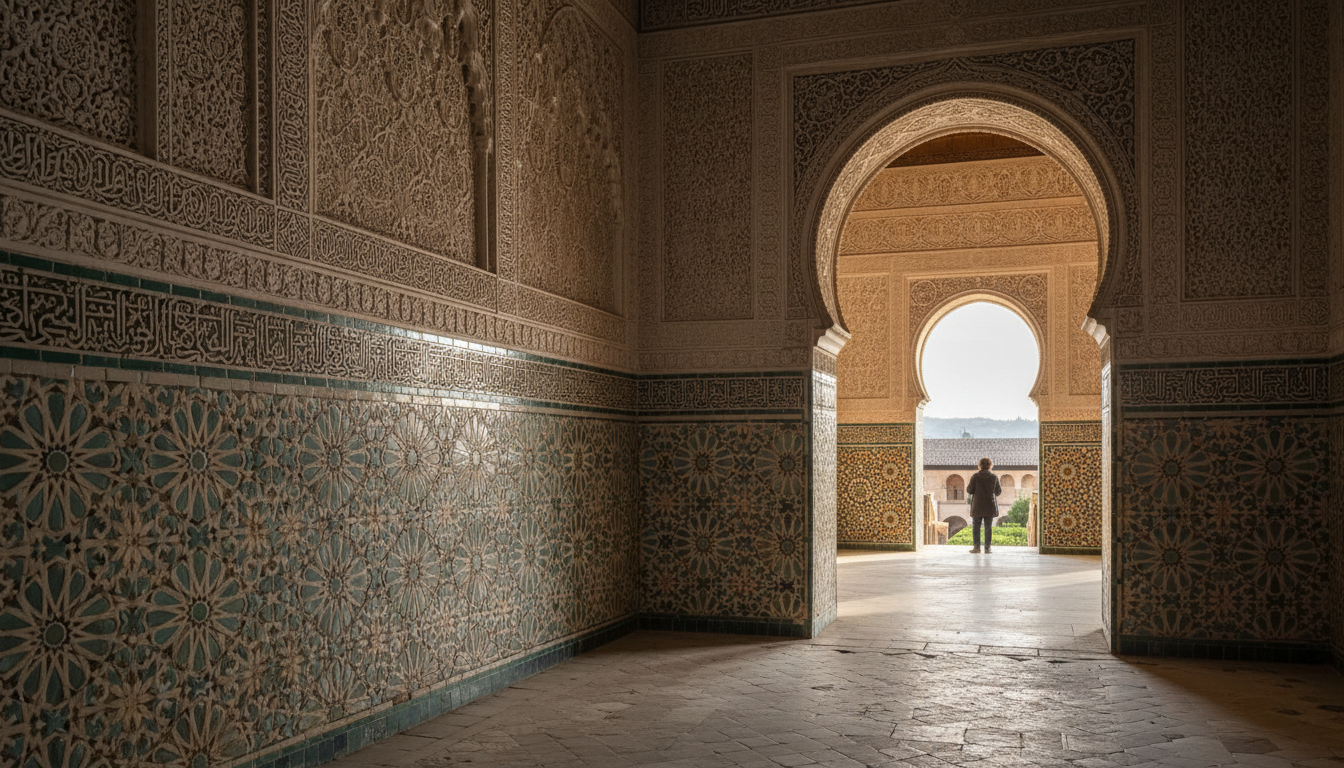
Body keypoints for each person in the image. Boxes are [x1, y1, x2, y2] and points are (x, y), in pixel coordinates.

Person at [965, 457, 1001, 553]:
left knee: (976, 527)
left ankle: (977, 548)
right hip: (990, 505)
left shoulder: (975, 477)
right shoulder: (994, 477)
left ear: (980, 466)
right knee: (988, 527)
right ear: (990, 466)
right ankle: (987, 548)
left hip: (977, 505)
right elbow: (998, 492)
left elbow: (969, 490)